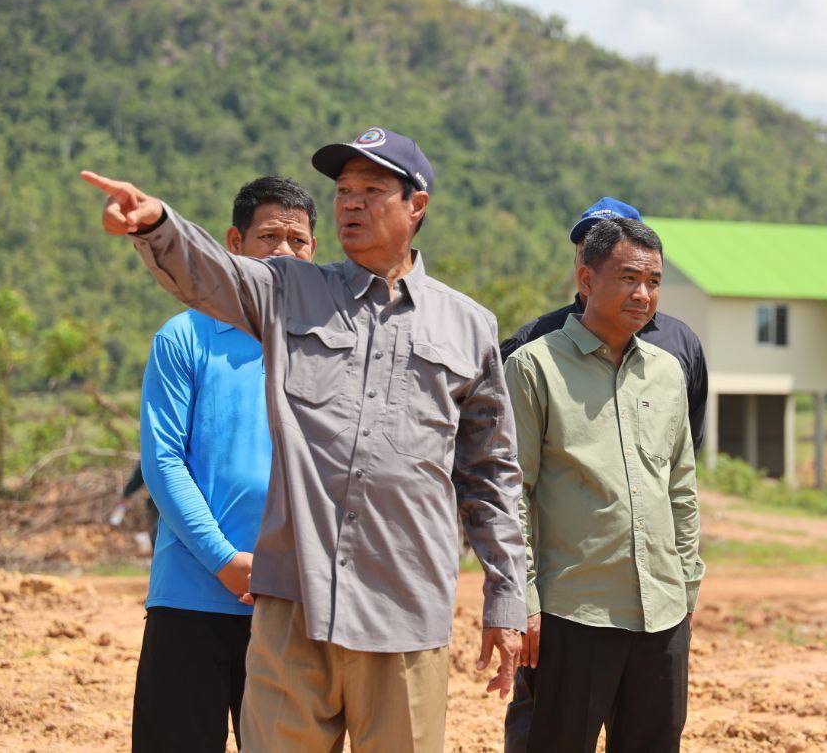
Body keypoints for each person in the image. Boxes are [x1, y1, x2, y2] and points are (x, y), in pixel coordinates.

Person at [79, 125, 525, 753]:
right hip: (293, 610)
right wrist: (156, 225)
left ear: (417, 206)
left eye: (371, 191)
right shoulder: (289, 290)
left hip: (403, 614)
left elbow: (490, 476)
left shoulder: (469, 326)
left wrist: (507, 597)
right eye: (343, 191)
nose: (351, 204)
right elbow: (208, 274)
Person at [500, 198, 709, 751]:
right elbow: (512, 493)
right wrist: (524, 599)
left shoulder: (668, 372)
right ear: (587, 279)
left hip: (662, 612)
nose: (643, 294)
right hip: (573, 612)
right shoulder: (533, 365)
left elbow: (681, 488)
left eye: (654, 282)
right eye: (629, 278)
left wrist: (687, 584)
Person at [131, 176, 318, 752]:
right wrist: (224, 560)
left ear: (315, 252)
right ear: (234, 244)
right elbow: (163, 461)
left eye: (298, 240)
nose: (284, 252)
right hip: (190, 596)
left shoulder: (324, 345)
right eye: (269, 237)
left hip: (294, 603)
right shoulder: (184, 337)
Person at [499, 197, 708, 452]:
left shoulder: (680, 344)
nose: (591, 258)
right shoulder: (532, 344)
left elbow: (686, 446)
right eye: (586, 249)